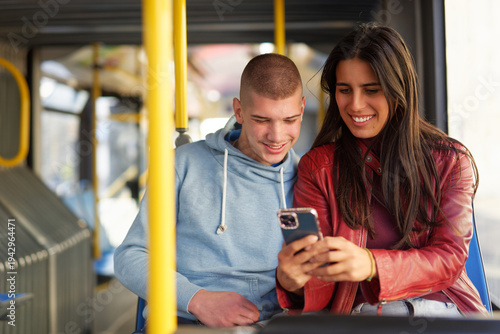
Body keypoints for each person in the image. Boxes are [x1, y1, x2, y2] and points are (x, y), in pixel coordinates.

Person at [275, 24, 489, 317]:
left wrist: (372, 264)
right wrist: (294, 283)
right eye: (344, 90)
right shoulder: (319, 167)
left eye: (371, 90)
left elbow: (449, 259)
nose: (355, 105)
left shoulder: (450, 160)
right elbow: (320, 280)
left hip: (444, 309)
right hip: (366, 316)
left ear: (399, 90)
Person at [114, 53, 306, 328]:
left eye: (289, 120)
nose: (276, 136)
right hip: (186, 319)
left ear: (302, 108)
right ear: (238, 111)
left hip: (271, 323)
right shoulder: (182, 164)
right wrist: (198, 300)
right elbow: (129, 256)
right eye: (262, 120)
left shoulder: (308, 177)